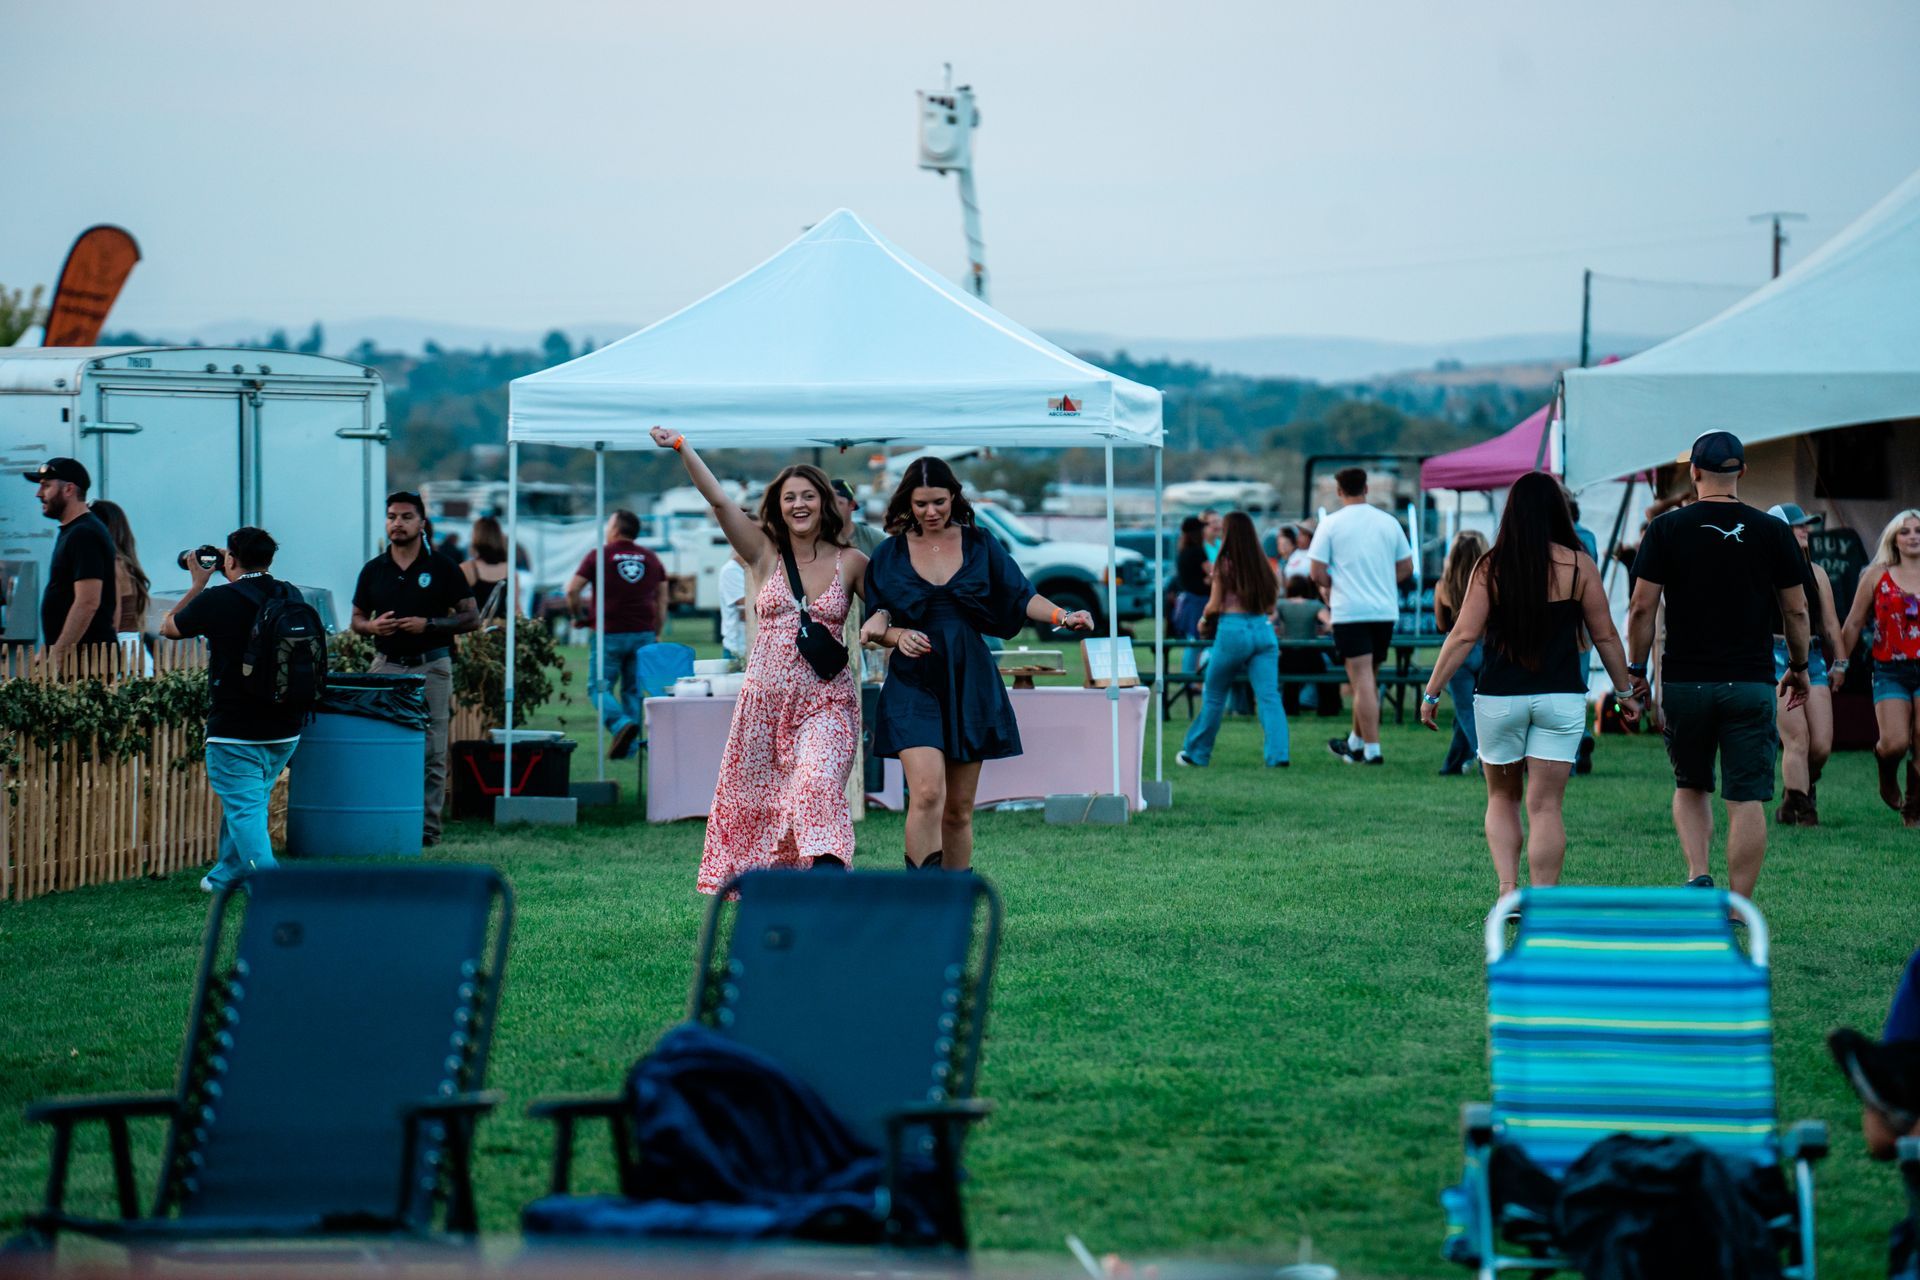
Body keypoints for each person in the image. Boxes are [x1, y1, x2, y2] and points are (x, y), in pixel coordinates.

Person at [652, 426, 867, 890]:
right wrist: (682, 447)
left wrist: (887, 623)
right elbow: (720, 503)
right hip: (763, 706)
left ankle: (829, 876)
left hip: (825, 702)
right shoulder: (763, 554)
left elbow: (892, 604)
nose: (799, 505)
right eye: (790, 498)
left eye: (808, 495)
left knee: (816, 782)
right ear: (778, 506)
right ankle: (781, 888)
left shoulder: (851, 561)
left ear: (824, 502)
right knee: (759, 806)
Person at [859, 457, 1093, 872]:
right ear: (907, 503)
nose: (931, 512)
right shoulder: (889, 553)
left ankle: (955, 897)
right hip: (914, 681)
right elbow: (878, 619)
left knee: (959, 810)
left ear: (954, 497)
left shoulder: (981, 543)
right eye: (921, 504)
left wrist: (1063, 615)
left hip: (969, 678)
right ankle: (923, 897)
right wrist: (893, 634)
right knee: (927, 793)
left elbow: (1021, 596)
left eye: (939, 501)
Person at [1422, 473, 1641, 900]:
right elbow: (1606, 635)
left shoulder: (1491, 566)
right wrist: (1624, 693)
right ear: (1559, 511)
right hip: (1561, 697)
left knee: (1502, 798)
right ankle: (1543, 900)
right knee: (1545, 807)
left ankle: (1508, 892)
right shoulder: (1578, 564)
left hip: (1499, 699)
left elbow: (1463, 636)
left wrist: (1432, 693)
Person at [1625, 432, 1810, 898]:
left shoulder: (1665, 529)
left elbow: (1642, 608)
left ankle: (1698, 875)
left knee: (1691, 784)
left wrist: (1635, 671)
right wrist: (1799, 664)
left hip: (1686, 682)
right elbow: (1796, 610)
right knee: (1745, 797)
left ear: (1694, 472)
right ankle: (1739, 904)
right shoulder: (1773, 531)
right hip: (1750, 681)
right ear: (1742, 471)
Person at [159, 527, 304, 891]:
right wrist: (233, 570)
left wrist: (198, 584)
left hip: (236, 730)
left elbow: (169, 627)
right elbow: (251, 591)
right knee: (248, 803)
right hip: (286, 726)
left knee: (244, 808)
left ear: (232, 559)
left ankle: (271, 888)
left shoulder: (218, 599)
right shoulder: (290, 593)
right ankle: (226, 873)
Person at [351, 491, 480, 848]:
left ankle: (427, 830)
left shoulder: (442, 567)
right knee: (380, 746)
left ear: (422, 523)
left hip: (431, 665)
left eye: (406, 517)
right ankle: (383, 822)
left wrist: (430, 625)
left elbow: (472, 618)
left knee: (432, 750)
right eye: (392, 516)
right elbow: (356, 619)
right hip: (387, 665)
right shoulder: (374, 569)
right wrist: (372, 627)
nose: (398, 523)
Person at [1311, 467, 1412, 766]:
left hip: (1350, 611)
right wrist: (1383, 581)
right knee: (1369, 677)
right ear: (1366, 488)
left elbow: (1316, 571)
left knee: (1362, 681)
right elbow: (1406, 567)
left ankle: (1372, 749)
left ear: (1339, 491)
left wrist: (1330, 587)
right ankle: (1355, 742)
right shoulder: (1388, 522)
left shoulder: (1331, 524)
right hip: (1383, 610)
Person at [1175, 512, 1288, 769]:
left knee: (1215, 694)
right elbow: (1271, 607)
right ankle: (1278, 755)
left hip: (1233, 630)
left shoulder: (1224, 563)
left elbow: (1214, 605)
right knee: (1269, 696)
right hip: (1262, 630)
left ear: (1228, 533)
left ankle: (1197, 753)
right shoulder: (1264, 565)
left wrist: (1204, 620)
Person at [1764, 504, 1846, 826]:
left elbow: (1830, 623)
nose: (1805, 530)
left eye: (1806, 525)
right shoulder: (1763, 571)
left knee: (1821, 745)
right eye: (1797, 525)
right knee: (1796, 739)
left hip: (1812, 657)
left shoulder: (1817, 572)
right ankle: (1804, 811)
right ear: (1779, 531)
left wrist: (1841, 662)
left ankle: (1791, 797)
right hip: (1774, 655)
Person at [1839, 508, 1920, 828]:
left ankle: (1914, 808)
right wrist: (1840, 664)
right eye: (1905, 531)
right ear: (1894, 539)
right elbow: (1853, 623)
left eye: (1918, 531)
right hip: (1889, 670)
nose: (1913, 536)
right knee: (1895, 742)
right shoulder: (1875, 575)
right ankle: (1886, 771)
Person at [566, 510, 669, 760]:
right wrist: (656, 631)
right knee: (632, 691)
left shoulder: (599, 555)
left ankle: (621, 724)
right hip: (643, 633)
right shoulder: (651, 558)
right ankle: (629, 751)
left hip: (609, 633)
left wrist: (578, 616)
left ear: (615, 529)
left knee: (598, 688)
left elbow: (572, 590)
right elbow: (663, 600)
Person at [24, 458, 118, 664]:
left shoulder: (83, 533)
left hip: (86, 663)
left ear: (68, 489)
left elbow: (88, 601)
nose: (39, 494)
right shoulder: (74, 531)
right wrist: (49, 649)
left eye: (46, 486)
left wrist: (58, 655)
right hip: (76, 659)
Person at [1434, 529, 1489, 776]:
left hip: (1458, 652)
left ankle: (1485, 760)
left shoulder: (1443, 587)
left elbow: (1441, 625)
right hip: (1487, 648)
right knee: (1481, 710)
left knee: (1466, 711)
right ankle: (1453, 763)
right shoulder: (1490, 583)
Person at [88, 498, 153, 670]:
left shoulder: (112, 565)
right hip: (135, 650)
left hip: (119, 654)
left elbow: (113, 620)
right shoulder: (124, 564)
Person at [1276, 575, 1334, 716]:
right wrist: (1323, 629)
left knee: (1290, 683)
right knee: (1325, 677)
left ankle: (1290, 709)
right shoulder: (1315, 605)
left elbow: (1268, 620)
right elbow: (1330, 624)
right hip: (1311, 658)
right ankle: (1327, 709)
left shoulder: (1281, 604)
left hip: (1288, 659)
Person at [460, 515, 521, 623]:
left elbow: (458, 607)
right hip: (501, 629)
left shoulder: (466, 568)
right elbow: (516, 608)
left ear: (476, 536)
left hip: (474, 630)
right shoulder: (509, 569)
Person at [1172, 516, 1210, 673]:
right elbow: (1211, 574)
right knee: (1197, 641)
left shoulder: (1183, 552)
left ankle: (1188, 677)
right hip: (1199, 602)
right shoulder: (1198, 552)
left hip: (1189, 600)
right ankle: (1190, 678)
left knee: (1192, 641)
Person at [831, 479, 886, 557]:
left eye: (839, 503)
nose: (832, 508)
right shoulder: (817, 539)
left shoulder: (875, 540)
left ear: (852, 505)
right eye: (828, 504)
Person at [717, 549, 748, 664]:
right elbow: (747, 612)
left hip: (751, 648)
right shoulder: (731, 570)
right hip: (738, 650)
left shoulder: (748, 570)